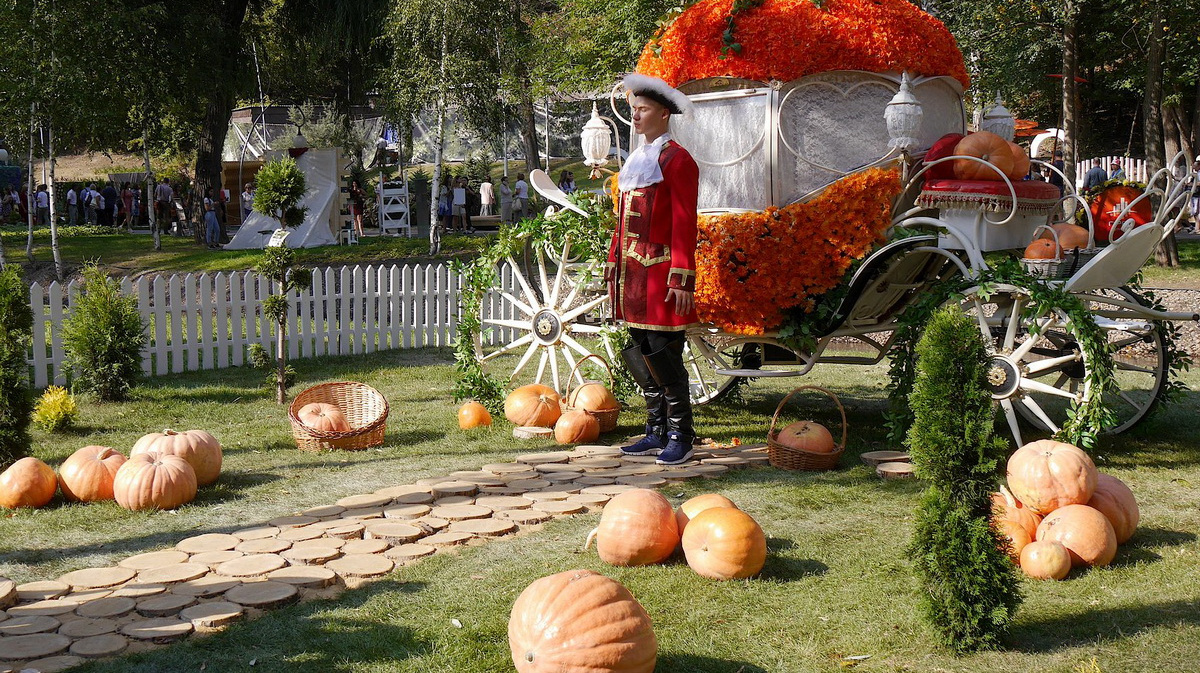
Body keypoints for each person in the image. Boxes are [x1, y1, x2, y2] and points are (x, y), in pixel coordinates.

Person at [606, 73, 700, 466]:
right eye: (633, 111)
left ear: (664, 113)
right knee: (639, 349)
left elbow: (684, 222)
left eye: (642, 110)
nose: (637, 117)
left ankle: (682, 434)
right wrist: (613, 262)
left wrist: (682, 275)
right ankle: (655, 429)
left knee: (664, 354)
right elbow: (623, 222)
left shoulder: (678, 160)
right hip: (632, 275)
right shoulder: (637, 160)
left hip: (661, 273)